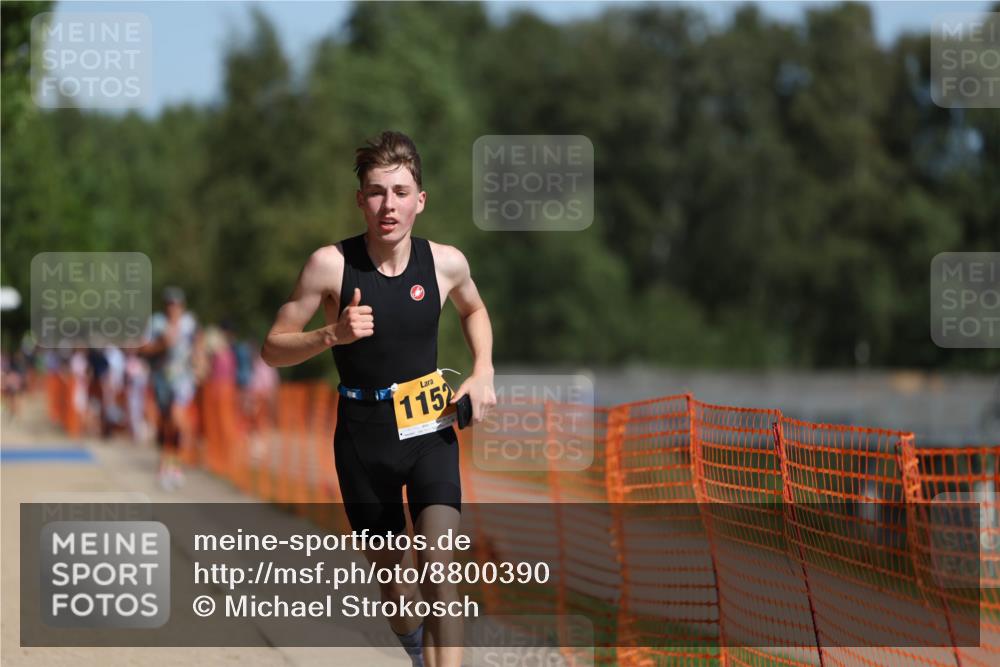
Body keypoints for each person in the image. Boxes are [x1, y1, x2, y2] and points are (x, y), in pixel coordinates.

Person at [261, 131, 496, 667]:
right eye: (375, 192)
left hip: (429, 426)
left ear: (420, 200)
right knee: (397, 597)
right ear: (359, 200)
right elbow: (272, 348)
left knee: (440, 568)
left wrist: (482, 371)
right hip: (363, 438)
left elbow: (474, 311)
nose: (388, 205)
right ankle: (416, 652)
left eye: (399, 191)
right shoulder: (329, 265)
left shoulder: (446, 264)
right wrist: (331, 336)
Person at [140, 286, 201, 491]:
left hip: (183, 378)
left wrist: (200, 362)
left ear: (181, 306)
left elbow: (198, 343)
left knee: (176, 416)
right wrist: (161, 345)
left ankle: (178, 460)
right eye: (168, 304)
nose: (171, 308)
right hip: (161, 378)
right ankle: (168, 463)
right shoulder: (156, 323)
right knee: (166, 424)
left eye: (175, 305)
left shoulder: (189, 323)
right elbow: (143, 349)